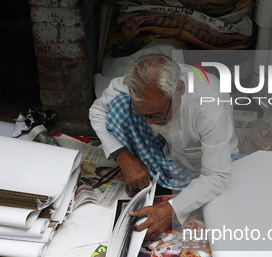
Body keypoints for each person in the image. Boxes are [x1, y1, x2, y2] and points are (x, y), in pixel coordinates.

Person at [89, 53, 239, 239]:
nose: (150, 123)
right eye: (144, 115)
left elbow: (216, 174)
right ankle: (156, 174)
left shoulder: (209, 106)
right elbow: (97, 111)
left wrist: (171, 210)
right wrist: (124, 157)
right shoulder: (137, 85)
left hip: (201, 164)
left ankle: (161, 181)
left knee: (219, 189)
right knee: (119, 105)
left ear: (179, 90)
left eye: (157, 114)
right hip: (168, 149)